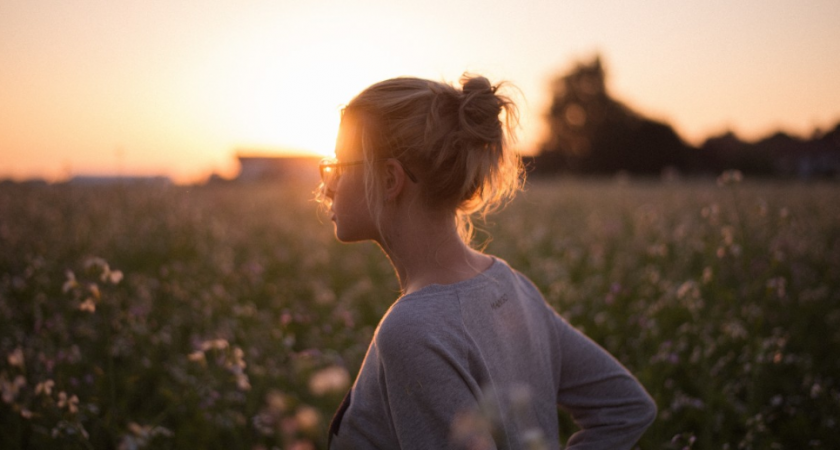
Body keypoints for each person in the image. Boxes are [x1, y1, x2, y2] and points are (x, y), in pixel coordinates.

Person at [317, 74, 656, 449]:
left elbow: (628, 408)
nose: (326, 185)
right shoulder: (511, 285)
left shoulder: (411, 330)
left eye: (339, 164)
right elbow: (627, 408)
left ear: (389, 179)